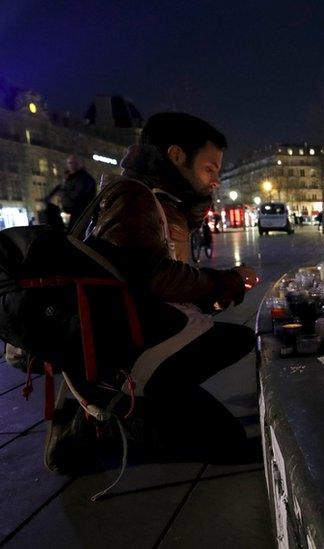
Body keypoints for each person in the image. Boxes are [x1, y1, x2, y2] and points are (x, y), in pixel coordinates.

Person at [63, 112, 259, 465]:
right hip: (129, 348)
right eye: (210, 168)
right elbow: (153, 277)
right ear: (176, 155)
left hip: (145, 331)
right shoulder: (134, 197)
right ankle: (137, 410)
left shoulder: (162, 199)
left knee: (237, 341)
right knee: (229, 441)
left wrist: (219, 289)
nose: (216, 180)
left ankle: (155, 409)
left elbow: (168, 277)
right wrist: (223, 282)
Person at [50, 155, 97, 231]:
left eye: (74, 163)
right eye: (69, 163)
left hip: (81, 214)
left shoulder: (84, 178)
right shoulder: (70, 178)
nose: (71, 165)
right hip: (75, 213)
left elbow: (78, 196)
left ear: (79, 164)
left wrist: (64, 194)